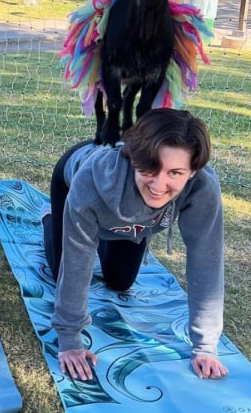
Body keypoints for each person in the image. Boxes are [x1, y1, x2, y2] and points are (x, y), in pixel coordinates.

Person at [43, 108, 227, 382]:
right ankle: (50, 218)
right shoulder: (91, 182)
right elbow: (77, 262)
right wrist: (70, 340)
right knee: (61, 272)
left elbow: (206, 262)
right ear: (134, 158)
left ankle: (104, 231)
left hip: (133, 220)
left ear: (192, 172)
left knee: (120, 282)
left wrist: (205, 347)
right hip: (73, 177)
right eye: (150, 166)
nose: (159, 184)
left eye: (175, 172)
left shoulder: (203, 189)